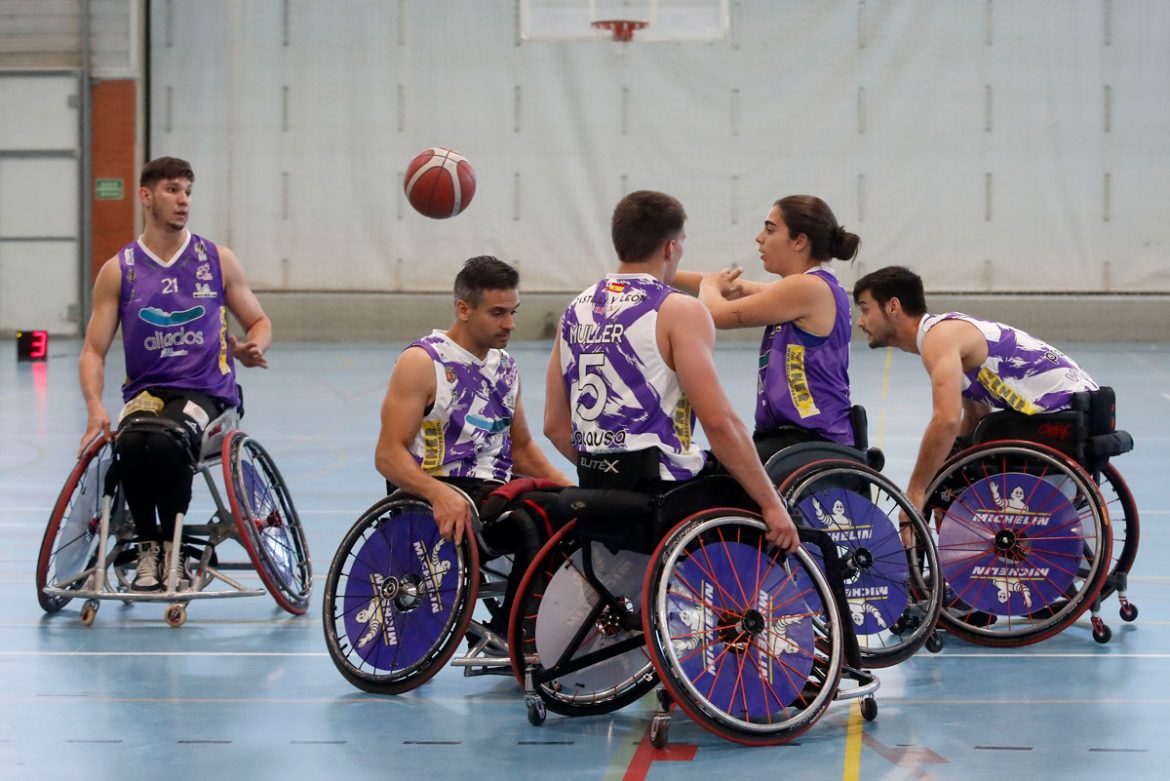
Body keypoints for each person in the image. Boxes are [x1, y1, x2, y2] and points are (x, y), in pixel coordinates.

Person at [544, 190, 799, 552]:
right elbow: (719, 423)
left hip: (594, 484)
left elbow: (554, 426)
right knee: (766, 500)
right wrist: (772, 504)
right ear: (670, 248)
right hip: (664, 489)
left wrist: (606, 471)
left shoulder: (575, 310)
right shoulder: (677, 310)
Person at [79, 156, 272, 591]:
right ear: (146, 196)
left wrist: (254, 345)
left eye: (187, 191)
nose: (183, 200)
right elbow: (93, 350)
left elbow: (259, 321)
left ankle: (173, 549)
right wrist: (95, 408)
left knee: (167, 443)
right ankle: (149, 548)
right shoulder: (119, 269)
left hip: (208, 392)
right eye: (172, 190)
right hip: (147, 393)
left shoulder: (217, 260)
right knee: (130, 440)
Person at [374, 256, 572, 635]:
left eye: (513, 312)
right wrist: (437, 493)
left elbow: (522, 450)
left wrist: (568, 485)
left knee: (573, 510)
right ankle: (516, 632)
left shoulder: (505, 366)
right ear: (463, 309)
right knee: (530, 520)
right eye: (498, 313)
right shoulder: (423, 362)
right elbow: (388, 454)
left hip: (494, 494)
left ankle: (555, 627)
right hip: (438, 498)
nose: (510, 324)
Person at [852, 265, 1099, 513]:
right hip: (1079, 404)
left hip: (1065, 410)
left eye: (864, 309)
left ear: (893, 307)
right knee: (952, 456)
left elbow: (946, 420)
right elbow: (975, 418)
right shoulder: (944, 332)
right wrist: (938, 469)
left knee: (939, 475)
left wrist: (916, 491)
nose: (860, 322)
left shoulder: (939, 339)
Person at [677, 196, 860, 459]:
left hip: (811, 438)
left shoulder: (808, 288)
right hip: (787, 436)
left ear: (799, 241)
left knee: (708, 475)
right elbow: (736, 288)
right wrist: (657, 272)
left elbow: (717, 313)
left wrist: (708, 287)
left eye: (770, 229)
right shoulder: (803, 288)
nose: (759, 238)